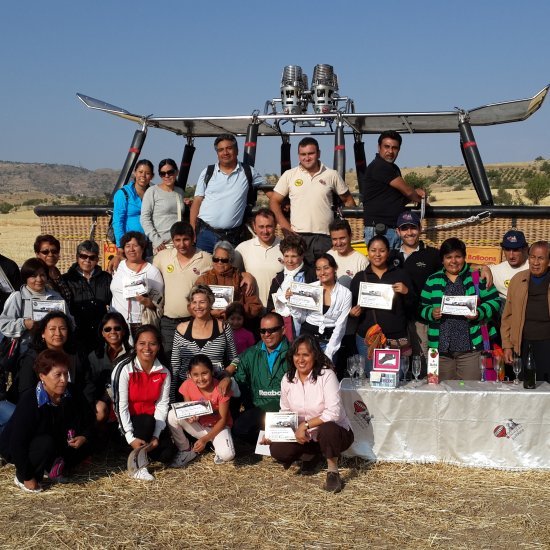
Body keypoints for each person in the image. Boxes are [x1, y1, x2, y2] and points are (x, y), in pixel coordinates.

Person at [269, 335, 354, 494]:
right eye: (296, 354)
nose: (300, 360)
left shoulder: (327, 375)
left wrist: (306, 425)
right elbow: (285, 412)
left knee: (328, 428)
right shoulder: (287, 379)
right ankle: (309, 456)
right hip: (306, 436)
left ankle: (333, 471)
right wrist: (273, 433)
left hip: (335, 433)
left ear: (315, 355)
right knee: (277, 449)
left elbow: (333, 413)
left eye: (305, 355)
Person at [0, 349, 94, 493]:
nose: (64, 379)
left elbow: (89, 417)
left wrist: (84, 436)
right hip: (28, 446)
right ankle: (21, 476)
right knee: (45, 443)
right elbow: (17, 442)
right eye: (58, 375)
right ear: (42, 376)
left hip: (56, 438)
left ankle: (51, 466)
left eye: (66, 373)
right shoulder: (30, 400)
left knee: (88, 443)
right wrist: (27, 477)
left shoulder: (72, 392)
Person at [420, 238, 500, 380]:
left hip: (471, 350)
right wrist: (431, 313)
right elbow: (421, 307)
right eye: (448, 257)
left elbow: (495, 301)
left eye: (458, 256)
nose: (453, 261)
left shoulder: (477, 277)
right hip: (440, 351)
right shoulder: (432, 280)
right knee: (442, 394)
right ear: (442, 260)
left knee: (471, 392)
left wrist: (479, 313)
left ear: (464, 257)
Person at [270, 137, 356, 265]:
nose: (307, 158)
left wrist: (345, 229)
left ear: (319, 153)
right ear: (298, 155)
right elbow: (274, 201)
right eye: (303, 154)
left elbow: (348, 200)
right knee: (301, 278)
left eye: (311, 153)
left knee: (325, 278)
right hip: (298, 237)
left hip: (325, 238)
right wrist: (285, 226)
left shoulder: (331, 175)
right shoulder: (289, 175)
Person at [111, 325, 172, 481]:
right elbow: (120, 407)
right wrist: (130, 438)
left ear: (158, 347)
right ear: (135, 345)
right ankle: (137, 464)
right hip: (126, 425)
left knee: (167, 455)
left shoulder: (164, 371)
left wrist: (156, 435)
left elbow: (162, 405)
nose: (147, 348)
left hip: (151, 424)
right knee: (145, 420)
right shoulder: (123, 369)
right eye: (142, 343)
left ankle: (142, 449)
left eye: (152, 344)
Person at [190, 133, 265, 253]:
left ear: (237, 150)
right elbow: (197, 201)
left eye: (229, 148)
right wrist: (192, 230)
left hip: (232, 236)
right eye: (221, 150)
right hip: (205, 234)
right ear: (217, 153)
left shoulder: (248, 172)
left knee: (231, 269)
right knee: (202, 269)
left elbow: (271, 192)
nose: (225, 153)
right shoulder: (208, 172)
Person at [223, 312, 289, 447]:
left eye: (272, 330)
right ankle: (266, 439)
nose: (267, 334)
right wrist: (228, 379)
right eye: (263, 331)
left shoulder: (295, 354)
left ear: (283, 330)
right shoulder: (250, 353)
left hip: (285, 411)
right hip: (259, 408)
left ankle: (277, 440)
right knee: (239, 429)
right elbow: (239, 380)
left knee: (286, 446)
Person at [349, 236, 415, 372]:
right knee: (370, 382)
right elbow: (350, 306)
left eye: (382, 250)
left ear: (388, 252)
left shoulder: (401, 275)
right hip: (368, 339)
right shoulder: (360, 278)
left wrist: (406, 291)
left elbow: (413, 306)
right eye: (373, 250)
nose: (377, 254)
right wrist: (352, 313)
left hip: (395, 339)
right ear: (368, 252)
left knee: (396, 382)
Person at [153, 221, 212, 360]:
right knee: (169, 359)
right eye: (177, 240)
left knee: (195, 360)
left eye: (185, 239)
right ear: (172, 240)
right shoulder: (163, 257)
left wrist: (247, 275)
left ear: (193, 239)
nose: (182, 244)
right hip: (168, 322)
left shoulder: (206, 258)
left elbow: (226, 269)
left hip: (195, 320)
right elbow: (147, 274)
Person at [170, 285, 237, 403]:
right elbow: (175, 365)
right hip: (187, 389)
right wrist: (172, 396)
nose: (197, 306)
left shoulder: (223, 327)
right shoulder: (181, 329)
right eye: (194, 302)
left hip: (216, 387)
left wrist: (226, 377)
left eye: (202, 302)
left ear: (210, 303)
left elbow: (235, 359)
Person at [360, 131, 425, 249]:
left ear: (399, 150)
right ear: (379, 147)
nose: (390, 151)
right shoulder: (380, 166)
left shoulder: (393, 168)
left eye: (394, 148)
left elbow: (395, 198)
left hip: (392, 230)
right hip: (381, 231)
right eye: (387, 147)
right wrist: (420, 197)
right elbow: (408, 192)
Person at [167, 354, 235, 467]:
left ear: (212, 372)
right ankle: (186, 450)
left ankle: (217, 447)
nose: (201, 378)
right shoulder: (187, 385)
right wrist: (191, 417)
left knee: (227, 455)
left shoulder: (221, 388)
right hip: (200, 426)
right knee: (172, 414)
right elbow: (187, 409)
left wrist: (204, 439)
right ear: (189, 375)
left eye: (204, 373)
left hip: (219, 427)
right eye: (195, 375)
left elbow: (223, 420)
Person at [390, 210, 441, 358]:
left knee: (423, 360)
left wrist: (484, 268)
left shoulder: (433, 255)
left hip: (421, 320)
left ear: (420, 228)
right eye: (404, 228)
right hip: (395, 319)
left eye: (413, 227)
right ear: (397, 232)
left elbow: (454, 267)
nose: (409, 232)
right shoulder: (390, 256)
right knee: (399, 363)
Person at [287, 254, 352, 363]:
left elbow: (340, 326)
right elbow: (300, 318)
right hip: (307, 339)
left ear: (335, 268)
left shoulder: (345, 294)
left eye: (326, 268)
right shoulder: (310, 288)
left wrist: (328, 353)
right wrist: (292, 303)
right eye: (318, 269)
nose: (322, 272)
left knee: (325, 376)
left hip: (329, 342)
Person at [14, 311, 90, 403]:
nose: (58, 333)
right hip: (41, 407)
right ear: (43, 333)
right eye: (52, 329)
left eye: (62, 328)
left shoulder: (76, 354)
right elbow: (26, 392)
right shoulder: (32, 358)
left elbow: (88, 382)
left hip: (73, 404)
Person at [501, 241, 550, 381]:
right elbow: (507, 316)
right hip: (523, 345)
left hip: (547, 343)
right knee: (526, 387)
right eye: (532, 257)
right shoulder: (518, 280)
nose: (535, 262)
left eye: (541, 258)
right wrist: (507, 346)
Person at [0, 258, 68, 354]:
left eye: (42, 275)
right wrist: (24, 324)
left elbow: (70, 323)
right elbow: (4, 325)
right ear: (25, 278)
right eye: (33, 276)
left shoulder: (56, 297)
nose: (39, 279)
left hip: (52, 355)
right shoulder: (18, 297)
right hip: (25, 354)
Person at [110, 231, 164, 338]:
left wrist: (146, 302)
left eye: (135, 246)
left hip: (140, 324)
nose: (131, 249)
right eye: (127, 246)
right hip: (116, 324)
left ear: (143, 248)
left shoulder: (152, 271)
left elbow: (160, 304)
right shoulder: (118, 266)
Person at [61, 240, 112, 354]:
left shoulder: (106, 278)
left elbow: (113, 303)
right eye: (83, 256)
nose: (87, 260)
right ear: (77, 257)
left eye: (92, 257)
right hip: (77, 335)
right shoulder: (66, 279)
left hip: (101, 336)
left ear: (97, 260)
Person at [196, 240, 263, 322]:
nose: (219, 263)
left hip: (236, 327)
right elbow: (191, 306)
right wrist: (209, 313)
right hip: (210, 326)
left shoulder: (241, 279)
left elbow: (255, 307)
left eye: (224, 260)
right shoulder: (204, 279)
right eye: (216, 259)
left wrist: (236, 309)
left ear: (231, 260)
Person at [266, 235, 316, 341]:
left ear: (302, 256)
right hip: (282, 331)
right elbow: (270, 305)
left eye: (294, 256)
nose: (289, 260)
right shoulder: (278, 278)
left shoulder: (312, 275)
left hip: (306, 331)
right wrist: (277, 309)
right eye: (286, 256)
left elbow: (318, 302)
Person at [87, 312, 131, 424]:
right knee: (99, 409)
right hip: (102, 403)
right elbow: (89, 384)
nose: (112, 332)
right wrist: (93, 403)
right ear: (102, 333)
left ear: (124, 330)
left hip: (126, 401)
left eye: (117, 328)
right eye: (107, 329)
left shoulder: (133, 355)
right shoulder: (94, 356)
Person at [234, 208, 283, 308]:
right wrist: (244, 274)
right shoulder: (242, 248)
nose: (265, 231)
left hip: (277, 311)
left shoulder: (285, 247)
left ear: (275, 226)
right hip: (252, 309)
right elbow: (231, 273)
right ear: (254, 227)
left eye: (269, 226)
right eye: (261, 227)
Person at [111, 159, 155, 270]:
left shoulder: (154, 194)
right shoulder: (123, 194)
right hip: (131, 246)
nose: (143, 176)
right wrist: (121, 246)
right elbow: (118, 222)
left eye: (147, 173)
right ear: (135, 173)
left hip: (150, 244)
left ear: (152, 176)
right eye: (140, 172)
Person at [140, 158, 186, 254]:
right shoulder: (152, 191)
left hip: (180, 244)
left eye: (170, 172)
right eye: (163, 173)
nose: (166, 176)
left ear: (176, 172)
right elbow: (145, 218)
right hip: (162, 245)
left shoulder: (180, 192)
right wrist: (156, 240)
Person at [481, 229, 529, 307]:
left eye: (516, 250)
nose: (511, 255)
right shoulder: (495, 270)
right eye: (507, 249)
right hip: (503, 313)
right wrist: (484, 268)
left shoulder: (534, 268)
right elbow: (472, 271)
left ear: (525, 248)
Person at [327, 218, 369, 289]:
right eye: (335, 239)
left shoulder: (361, 261)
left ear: (350, 236)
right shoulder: (328, 256)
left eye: (342, 238)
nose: (339, 243)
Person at [33, 234, 71, 302]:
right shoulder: (33, 277)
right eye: (45, 252)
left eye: (54, 251)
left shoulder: (60, 276)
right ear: (37, 254)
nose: (50, 255)